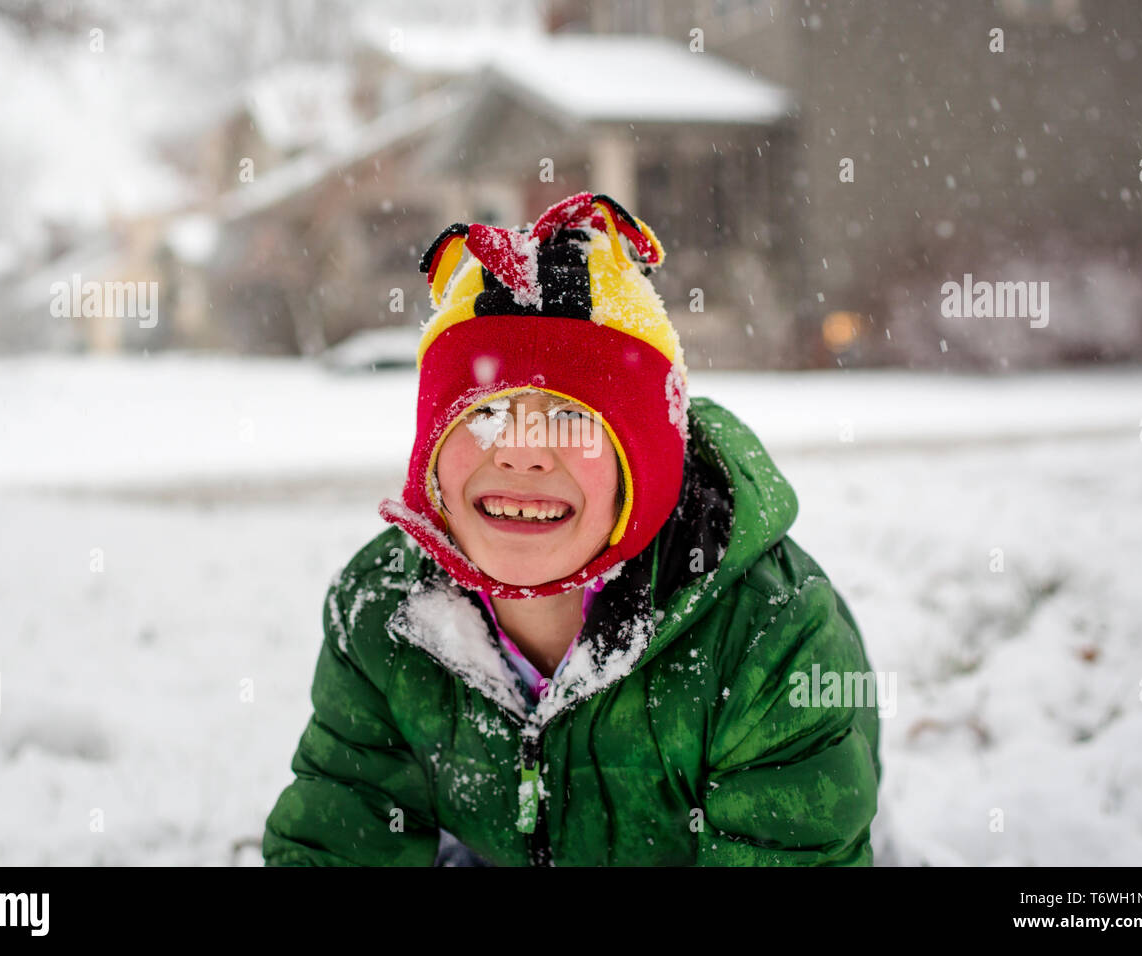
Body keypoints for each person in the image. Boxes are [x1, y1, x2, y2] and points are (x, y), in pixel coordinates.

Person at [262, 191, 882, 866]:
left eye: (569, 414)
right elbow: (340, 832)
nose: (521, 450)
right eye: (485, 412)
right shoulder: (384, 611)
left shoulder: (771, 635)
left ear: (644, 459)